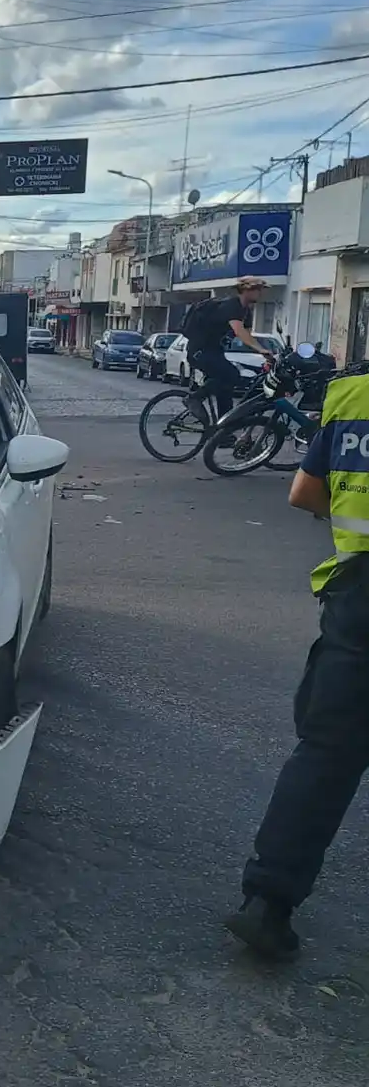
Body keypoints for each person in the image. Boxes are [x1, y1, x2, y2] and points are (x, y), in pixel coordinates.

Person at [227, 366, 369, 959]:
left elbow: (305, 493)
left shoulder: (356, 395)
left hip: (361, 595)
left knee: (328, 753)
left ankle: (268, 904)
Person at [184, 277, 272, 420]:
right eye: (258, 290)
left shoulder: (246, 311)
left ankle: (224, 432)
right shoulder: (232, 305)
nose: (261, 293)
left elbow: (248, 337)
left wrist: (265, 355)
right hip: (199, 352)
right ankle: (194, 398)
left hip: (215, 352)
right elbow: (239, 331)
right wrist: (262, 350)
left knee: (226, 390)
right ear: (246, 290)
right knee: (231, 374)